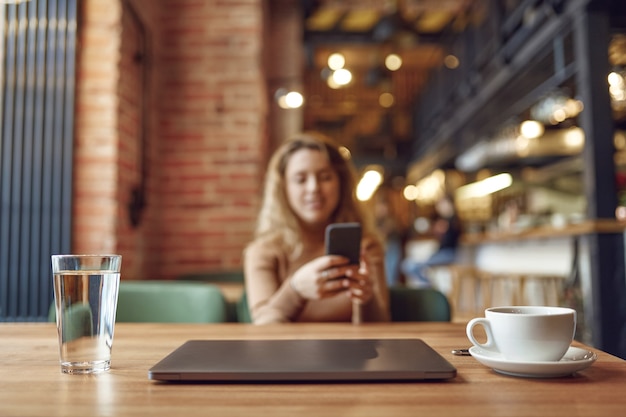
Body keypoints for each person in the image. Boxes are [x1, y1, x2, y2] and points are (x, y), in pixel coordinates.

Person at [243, 132, 390, 324]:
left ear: (341, 184)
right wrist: (296, 290)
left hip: (352, 353)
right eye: (300, 179)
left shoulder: (366, 246)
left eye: (325, 177)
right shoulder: (262, 252)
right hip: (286, 354)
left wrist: (366, 299)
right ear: (283, 188)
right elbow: (263, 326)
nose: (313, 188)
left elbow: (382, 327)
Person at [401, 194, 461, 287]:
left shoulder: (454, 221)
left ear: (449, 204)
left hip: (448, 254)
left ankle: (429, 287)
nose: (439, 207)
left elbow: (453, 238)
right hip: (441, 253)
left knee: (410, 265)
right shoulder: (443, 220)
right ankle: (429, 285)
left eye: (441, 204)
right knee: (409, 265)